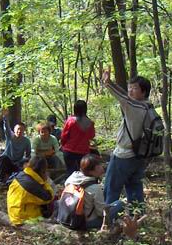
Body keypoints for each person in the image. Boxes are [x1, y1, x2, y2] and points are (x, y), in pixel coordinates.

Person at [101, 67, 153, 206]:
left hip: (124, 156)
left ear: (143, 92)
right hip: (139, 156)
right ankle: (138, 217)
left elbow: (123, 98)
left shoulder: (136, 107)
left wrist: (108, 83)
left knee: (111, 190)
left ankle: (110, 216)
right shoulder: (148, 107)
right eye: (129, 87)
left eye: (134, 88)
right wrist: (110, 83)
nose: (130, 91)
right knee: (135, 191)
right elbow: (126, 96)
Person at [63, 154, 124, 230]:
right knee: (120, 204)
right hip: (86, 222)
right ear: (93, 170)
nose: (102, 167)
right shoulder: (95, 188)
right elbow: (101, 213)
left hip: (68, 218)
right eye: (99, 165)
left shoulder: (71, 179)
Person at [7, 156, 56, 225]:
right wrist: (46, 181)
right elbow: (49, 197)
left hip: (15, 210)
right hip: (21, 218)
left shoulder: (22, 174)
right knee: (54, 204)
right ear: (43, 170)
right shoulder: (32, 186)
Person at [0, 110, 32, 187]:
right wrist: (5, 117)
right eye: (18, 129)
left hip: (18, 163)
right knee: (3, 158)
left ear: (24, 131)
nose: (19, 131)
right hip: (8, 161)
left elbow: (28, 155)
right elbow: (6, 127)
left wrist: (25, 161)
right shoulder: (10, 136)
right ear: (14, 130)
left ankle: (13, 180)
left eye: (21, 129)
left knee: (25, 166)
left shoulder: (26, 141)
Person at [61, 100, 96, 175]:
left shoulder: (70, 121)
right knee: (83, 173)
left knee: (70, 173)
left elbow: (64, 136)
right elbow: (92, 136)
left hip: (69, 151)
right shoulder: (90, 123)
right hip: (83, 152)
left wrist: (63, 145)